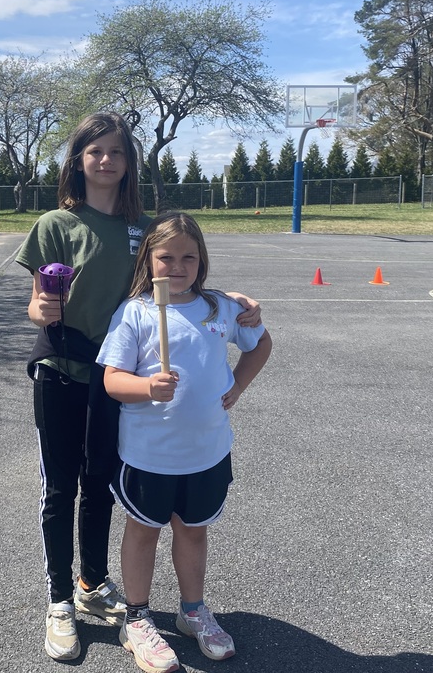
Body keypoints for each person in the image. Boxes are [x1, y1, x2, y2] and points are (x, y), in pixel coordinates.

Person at [16, 113, 262, 662]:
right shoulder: (57, 223)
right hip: (65, 368)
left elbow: (178, 275)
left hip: (120, 379)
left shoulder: (144, 225)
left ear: (130, 163)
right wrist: (39, 308)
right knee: (60, 488)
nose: (106, 161)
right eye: (95, 151)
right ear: (78, 159)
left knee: (103, 482)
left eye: (117, 152)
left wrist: (235, 301)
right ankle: (59, 602)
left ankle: (92, 585)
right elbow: (38, 301)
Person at [97, 212, 273, 672]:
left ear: (201, 261)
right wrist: (147, 388)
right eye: (166, 257)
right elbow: (113, 380)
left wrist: (238, 385)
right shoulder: (134, 311)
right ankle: (136, 618)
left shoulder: (221, 307)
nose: (176, 266)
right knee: (143, 531)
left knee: (193, 531)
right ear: (148, 260)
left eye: (188, 257)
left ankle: (192, 610)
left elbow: (260, 344)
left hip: (207, 451)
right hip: (148, 454)